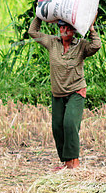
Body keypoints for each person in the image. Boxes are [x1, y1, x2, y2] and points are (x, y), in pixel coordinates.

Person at [28, 17, 101, 170]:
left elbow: (96, 46)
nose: (64, 30)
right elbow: (33, 31)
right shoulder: (52, 42)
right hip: (58, 93)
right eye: (61, 27)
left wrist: (92, 29)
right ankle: (65, 162)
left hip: (76, 91)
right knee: (57, 128)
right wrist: (40, 15)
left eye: (68, 27)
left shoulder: (81, 45)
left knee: (69, 124)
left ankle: (74, 163)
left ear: (74, 30)